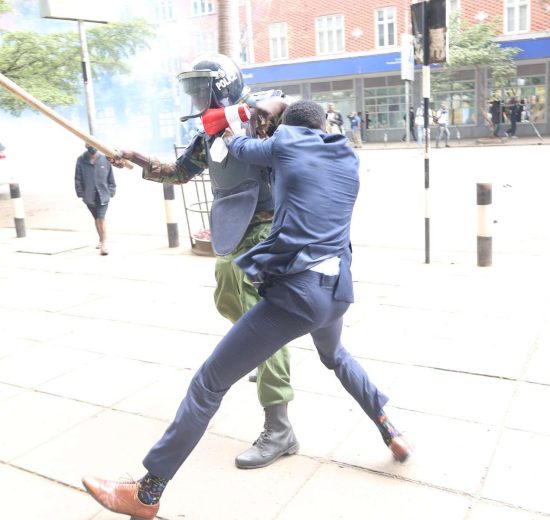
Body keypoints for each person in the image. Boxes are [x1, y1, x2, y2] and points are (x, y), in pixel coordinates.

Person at [81, 99, 412, 520]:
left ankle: (146, 494)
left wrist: (239, 116)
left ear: (287, 127)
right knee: (337, 357)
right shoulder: (346, 154)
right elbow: (193, 162)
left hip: (298, 295)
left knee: (207, 384)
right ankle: (389, 427)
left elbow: (234, 144)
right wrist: (140, 157)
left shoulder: (286, 142)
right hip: (337, 290)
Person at [107, 54, 298, 470]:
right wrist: (134, 157)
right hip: (236, 227)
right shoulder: (209, 133)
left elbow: (297, 110)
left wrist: (271, 106)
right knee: (227, 296)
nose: (195, 97)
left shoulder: (256, 120)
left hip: (270, 230)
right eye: (191, 89)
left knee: (263, 323)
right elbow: (178, 172)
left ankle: (279, 426)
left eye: (201, 88)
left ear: (222, 88)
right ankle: (260, 349)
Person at [75, 144, 116, 256]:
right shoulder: (81, 160)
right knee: (97, 219)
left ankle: (104, 244)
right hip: (89, 196)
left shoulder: (105, 159)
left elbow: (110, 177)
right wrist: (81, 193)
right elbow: (78, 178)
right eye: (89, 145)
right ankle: (101, 239)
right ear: (86, 146)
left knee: (101, 218)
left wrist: (111, 191)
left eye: (93, 145)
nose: (92, 147)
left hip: (103, 194)